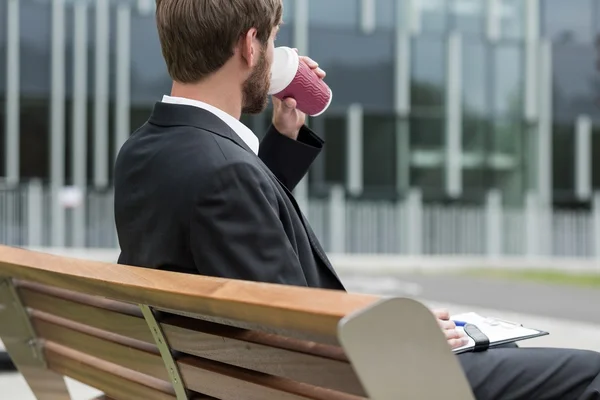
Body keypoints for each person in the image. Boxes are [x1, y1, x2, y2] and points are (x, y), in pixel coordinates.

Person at [113, 0, 600, 398]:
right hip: (335, 383)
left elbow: (220, 237)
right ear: (250, 44)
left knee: (499, 356)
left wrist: (283, 141)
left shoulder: (147, 150)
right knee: (588, 374)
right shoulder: (226, 174)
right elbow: (291, 340)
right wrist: (401, 337)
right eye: (273, 39)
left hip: (210, 376)